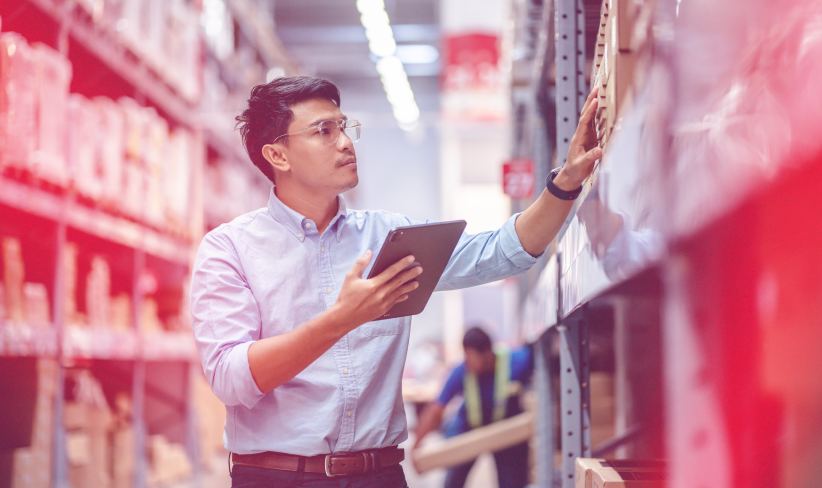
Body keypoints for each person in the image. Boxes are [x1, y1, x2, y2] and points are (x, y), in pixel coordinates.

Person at [189, 76, 600, 488]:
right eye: (323, 131)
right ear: (278, 155)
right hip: (277, 479)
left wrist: (565, 183)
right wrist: (341, 319)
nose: (346, 142)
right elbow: (230, 378)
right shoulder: (230, 250)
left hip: (379, 476)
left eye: (344, 126)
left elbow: (500, 253)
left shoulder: (391, 238)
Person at [412, 327, 532, 488]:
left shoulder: (517, 361)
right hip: (469, 429)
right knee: (452, 482)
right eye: (467, 356)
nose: (470, 362)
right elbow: (435, 409)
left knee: (511, 482)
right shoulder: (461, 370)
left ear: (489, 352)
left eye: (474, 357)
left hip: (505, 430)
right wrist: (416, 446)